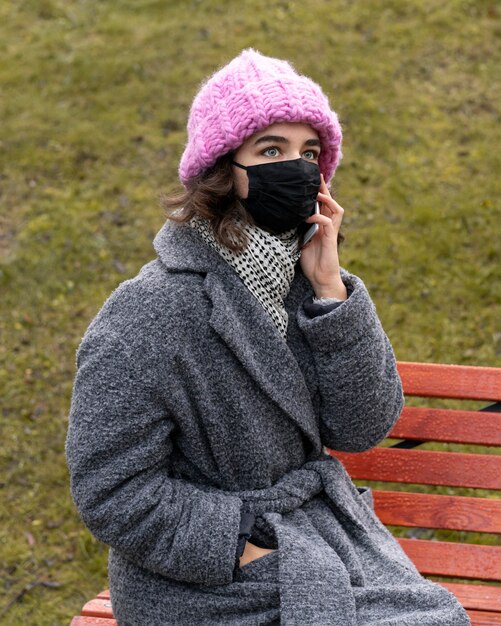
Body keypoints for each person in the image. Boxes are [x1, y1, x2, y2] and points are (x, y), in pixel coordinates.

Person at [66, 49, 470, 625]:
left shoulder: (306, 283)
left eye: (309, 153)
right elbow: (112, 490)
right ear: (221, 170)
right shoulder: (146, 313)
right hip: (206, 581)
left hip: (315, 539)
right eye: (272, 150)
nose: (296, 168)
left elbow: (361, 428)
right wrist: (242, 543)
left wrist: (332, 293)